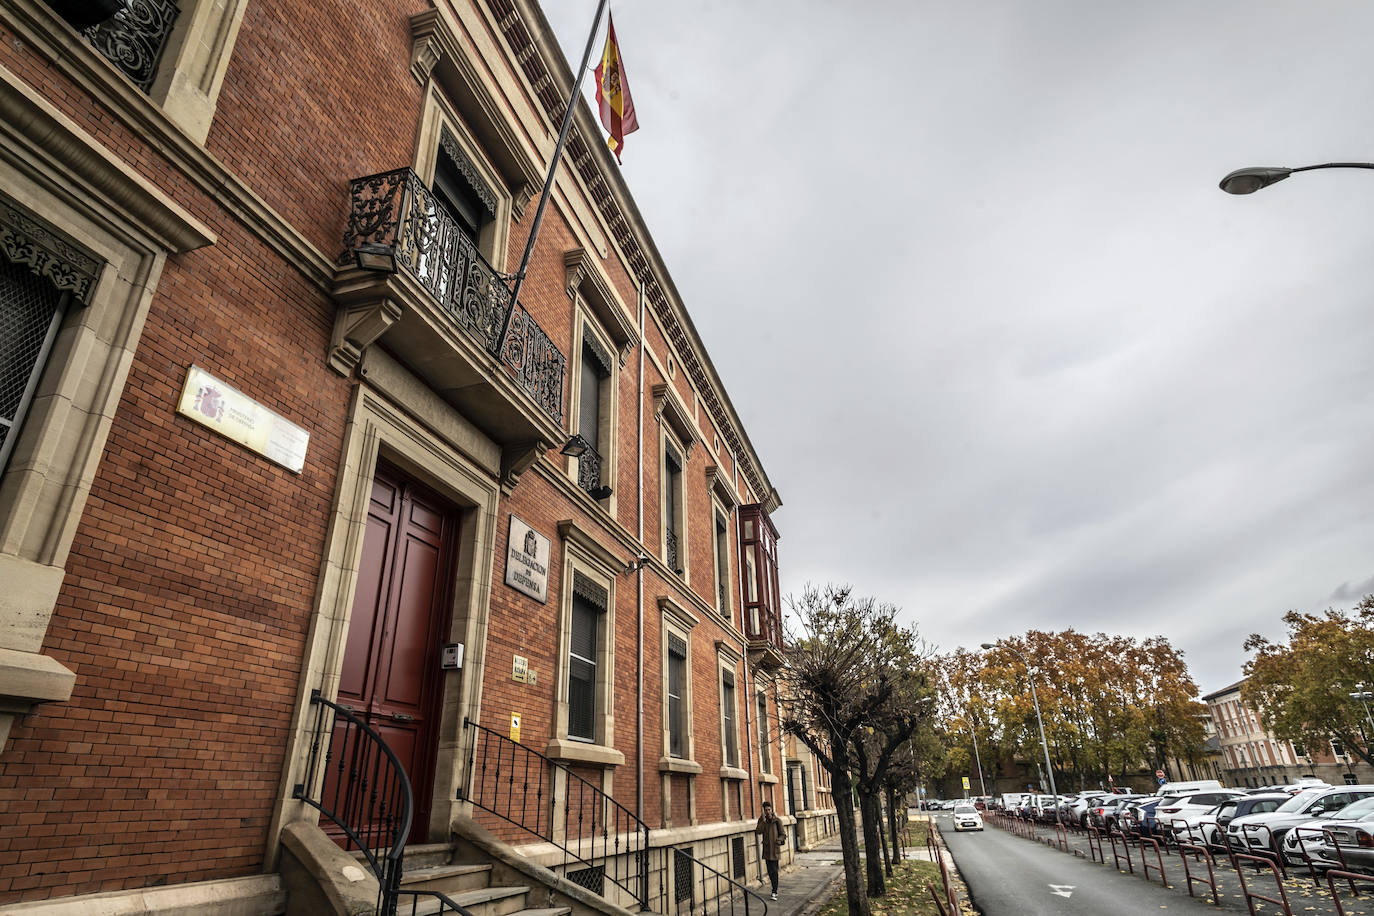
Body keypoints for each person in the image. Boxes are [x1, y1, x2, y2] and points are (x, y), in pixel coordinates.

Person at [755, 800, 786, 901]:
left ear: (772, 810)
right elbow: (758, 831)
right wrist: (763, 821)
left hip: (775, 850)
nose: (767, 811)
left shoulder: (777, 821)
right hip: (767, 850)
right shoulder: (762, 821)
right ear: (764, 811)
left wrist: (778, 840)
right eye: (766, 810)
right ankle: (774, 889)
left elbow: (783, 834)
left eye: (769, 809)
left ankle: (774, 891)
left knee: (774, 871)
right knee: (770, 872)